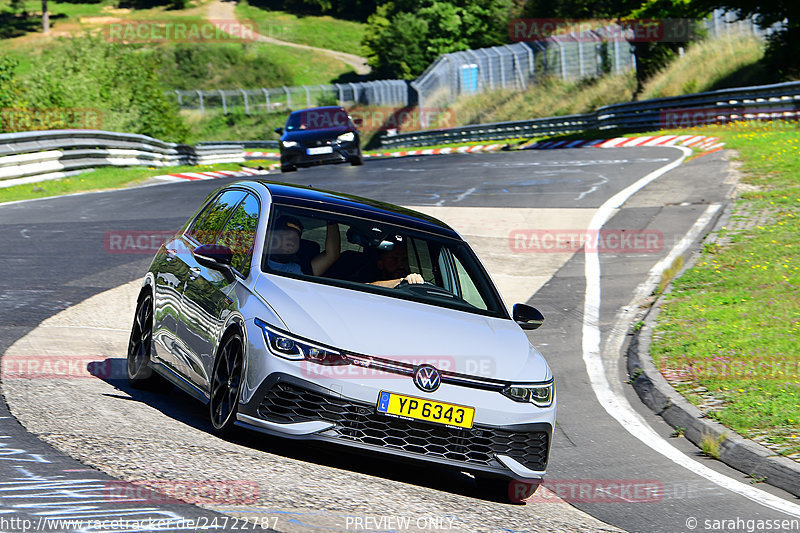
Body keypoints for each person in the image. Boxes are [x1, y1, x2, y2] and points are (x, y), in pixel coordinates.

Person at [267, 215, 340, 276]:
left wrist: (331, 221)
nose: (291, 242)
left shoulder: (296, 269)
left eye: (295, 239)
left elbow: (331, 255)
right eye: (287, 236)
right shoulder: (257, 259)